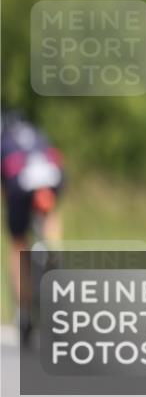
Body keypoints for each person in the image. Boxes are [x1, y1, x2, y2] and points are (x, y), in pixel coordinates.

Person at [1, 109, 65, 342]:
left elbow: (6, 186)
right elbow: (56, 157)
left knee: (17, 243)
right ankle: (52, 249)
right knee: (50, 215)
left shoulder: (4, 140)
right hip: (52, 175)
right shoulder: (37, 133)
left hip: (20, 180)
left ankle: (24, 310)